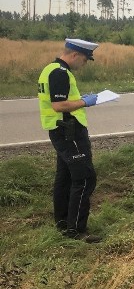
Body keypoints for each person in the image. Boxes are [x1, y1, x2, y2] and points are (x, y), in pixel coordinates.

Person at [37, 38, 102, 243]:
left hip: (61, 130)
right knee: (84, 177)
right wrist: (84, 102)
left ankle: (63, 224)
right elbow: (58, 105)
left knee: (64, 177)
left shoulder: (50, 69)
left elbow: (59, 100)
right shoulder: (60, 72)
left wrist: (80, 98)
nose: (83, 65)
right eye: (84, 60)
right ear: (74, 55)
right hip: (68, 131)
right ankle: (77, 230)